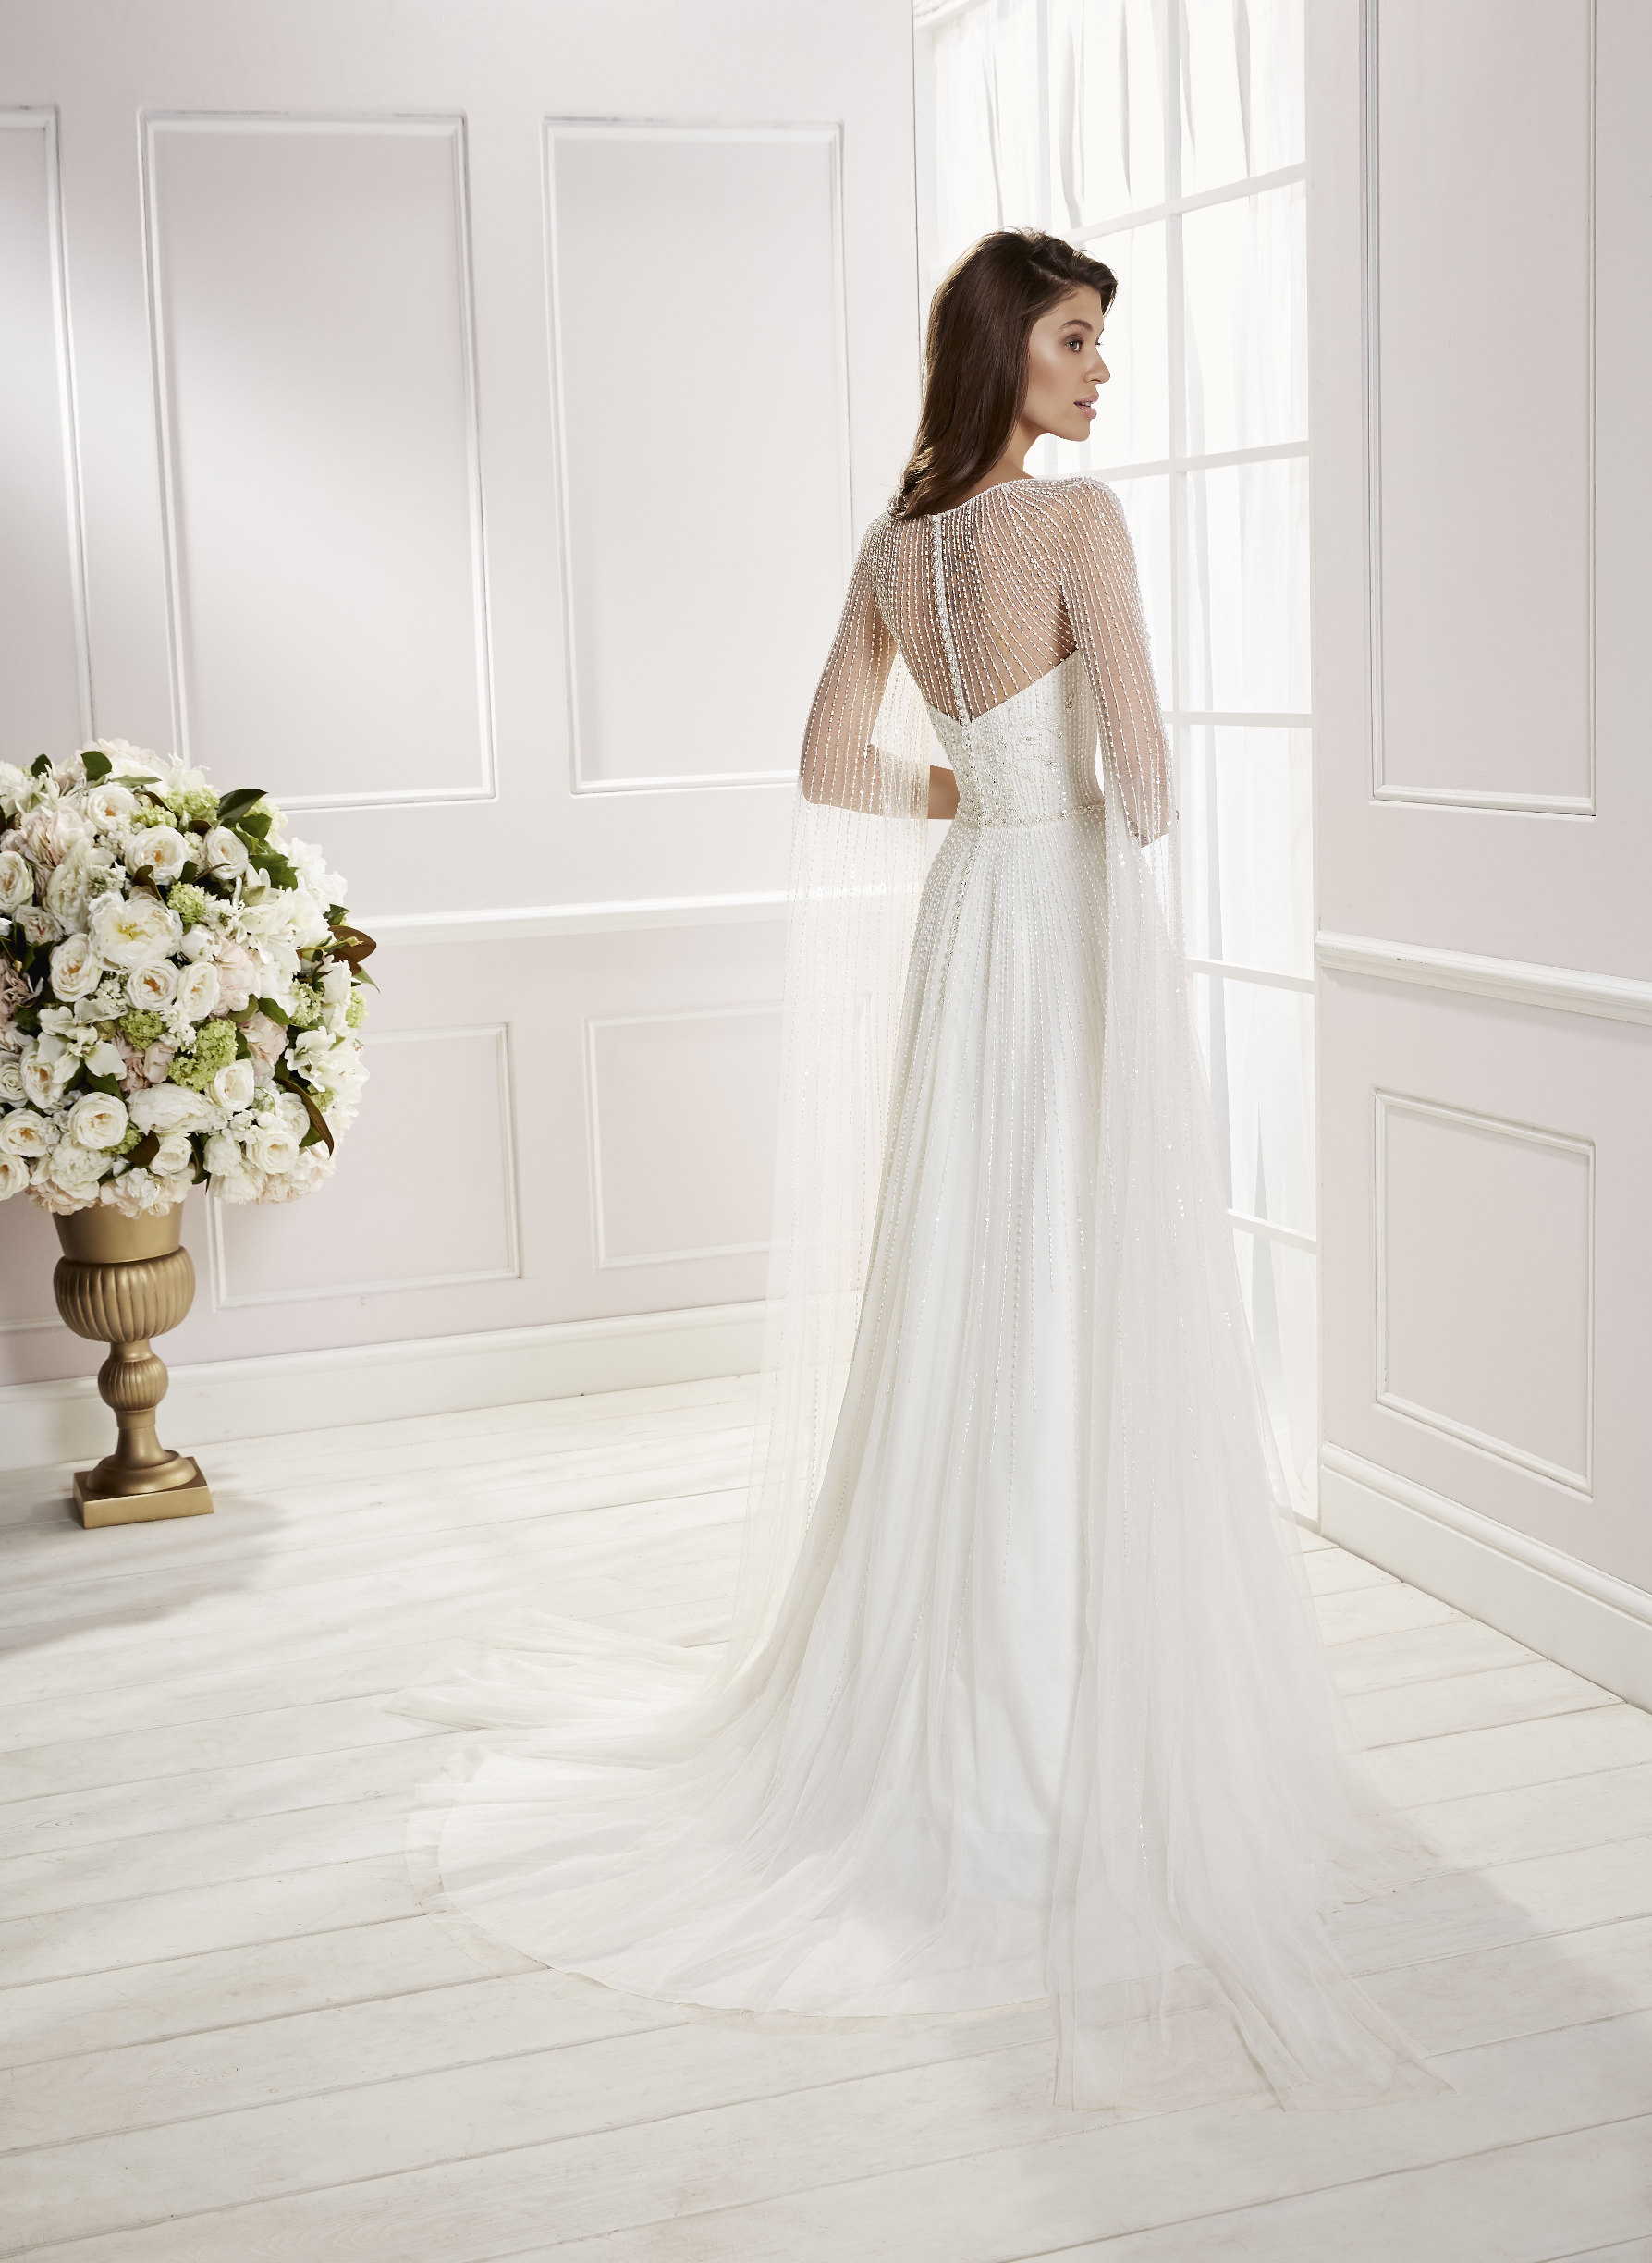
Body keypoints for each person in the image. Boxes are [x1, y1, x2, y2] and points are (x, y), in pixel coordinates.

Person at [395, 229, 1449, 2113]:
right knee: (1078, 1287)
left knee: (967, 1285)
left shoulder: (899, 549)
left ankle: (940, 1686)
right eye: (1075, 338)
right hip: (1071, 932)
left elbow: (822, 764)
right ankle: (1061, 1713)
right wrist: (1100, 778)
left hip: (976, 933)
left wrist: (963, 791)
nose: (1102, 371)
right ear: (1004, 351)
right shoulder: (1081, 526)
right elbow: (1148, 777)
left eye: (1104, 342)